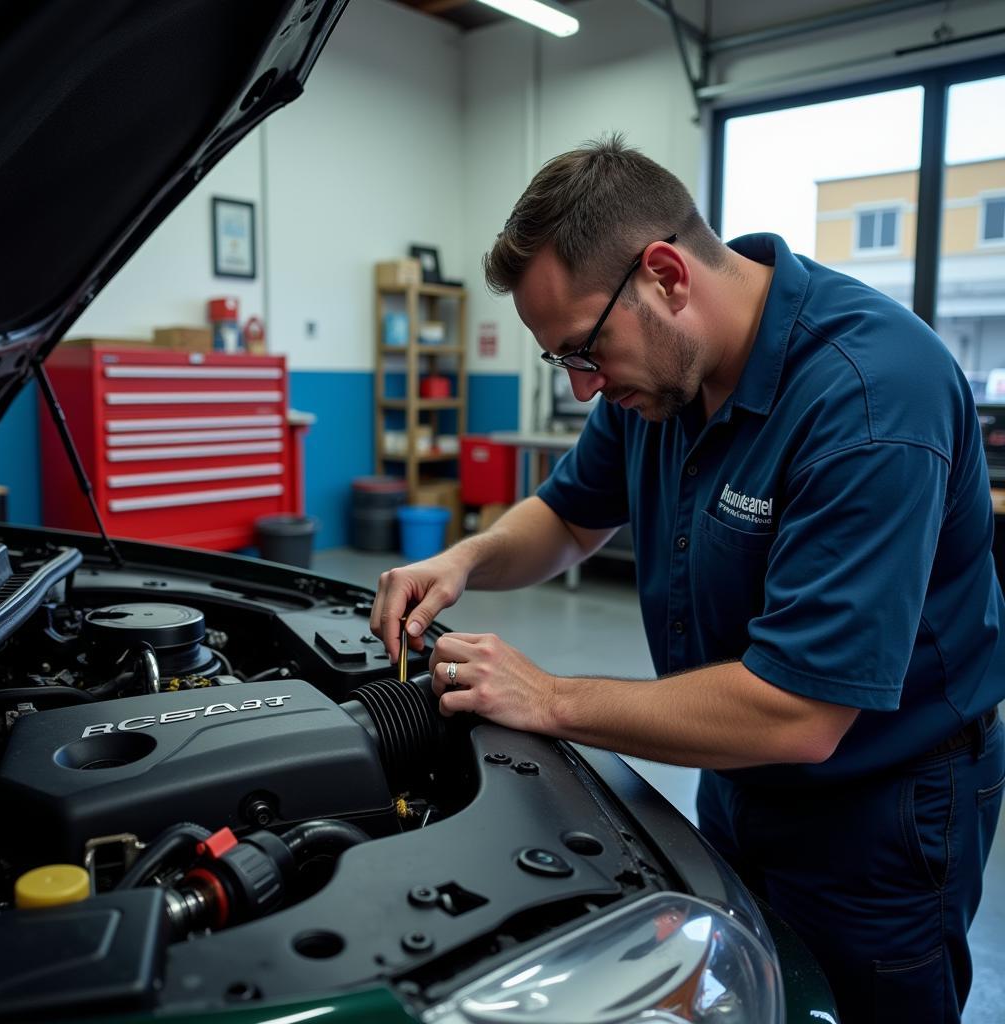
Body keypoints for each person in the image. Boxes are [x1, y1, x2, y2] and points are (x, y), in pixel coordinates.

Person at [369, 136, 1005, 1024]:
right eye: (565, 363)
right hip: (737, 769)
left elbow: (800, 713)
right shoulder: (663, 377)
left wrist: (548, 698)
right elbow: (566, 517)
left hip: (884, 812)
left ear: (666, 274)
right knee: (755, 993)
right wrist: (463, 557)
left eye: (585, 352)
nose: (586, 389)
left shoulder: (870, 398)